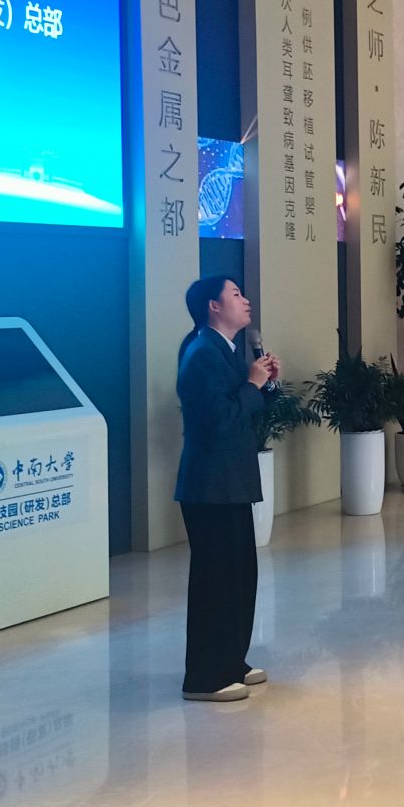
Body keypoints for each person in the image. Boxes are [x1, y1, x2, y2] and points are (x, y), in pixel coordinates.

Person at [174, 276, 280, 703]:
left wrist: (267, 383)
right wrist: (252, 384)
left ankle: (231, 661)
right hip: (209, 486)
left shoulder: (227, 350)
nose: (245, 300)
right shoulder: (201, 353)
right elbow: (220, 419)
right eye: (236, 294)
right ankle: (204, 677)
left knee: (239, 577)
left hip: (230, 482)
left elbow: (247, 407)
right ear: (213, 306)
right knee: (215, 581)